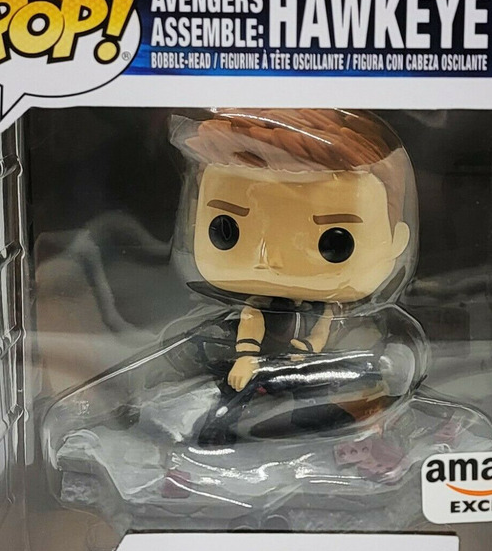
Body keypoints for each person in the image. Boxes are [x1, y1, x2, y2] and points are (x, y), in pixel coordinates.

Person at [169, 108, 423, 447]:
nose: (270, 258)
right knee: (236, 394)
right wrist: (247, 359)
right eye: (225, 230)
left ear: (396, 241)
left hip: (308, 367)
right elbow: (250, 327)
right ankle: (219, 429)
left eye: (335, 243)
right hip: (259, 365)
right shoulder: (257, 306)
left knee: (326, 396)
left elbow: (323, 333)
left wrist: (305, 355)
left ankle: (324, 427)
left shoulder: (337, 315)